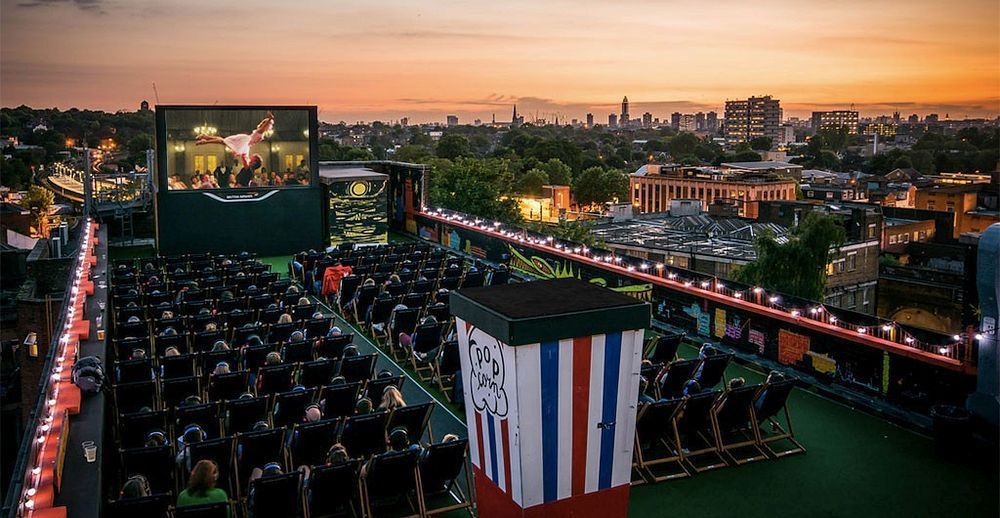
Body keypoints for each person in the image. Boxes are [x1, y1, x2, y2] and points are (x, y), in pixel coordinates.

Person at [195, 111, 274, 169]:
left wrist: (269, 120)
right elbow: (264, 127)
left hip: (246, 144)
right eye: (266, 125)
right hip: (245, 142)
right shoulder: (261, 131)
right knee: (223, 141)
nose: (267, 127)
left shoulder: (261, 132)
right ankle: (205, 141)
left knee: (223, 141)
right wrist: (270, 119)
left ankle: (206, 137)